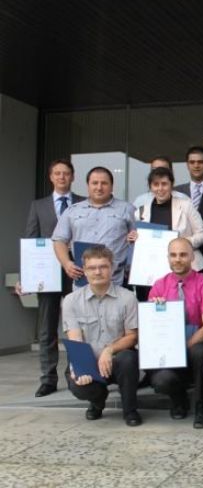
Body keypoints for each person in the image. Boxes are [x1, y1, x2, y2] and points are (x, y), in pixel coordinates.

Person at [18, 159, 84, 397]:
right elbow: (31, 240)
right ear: (51, 177)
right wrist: (26, 276)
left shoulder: (83, 203)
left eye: (66, 173)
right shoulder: (38, 206)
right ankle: (48, 378)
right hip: (46, 273)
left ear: (73, 177)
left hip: (77, 270)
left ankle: (75, 373)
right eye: (57, 173)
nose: (62, 177)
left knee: (78, 325)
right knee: (47, 328)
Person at [62, 246, 141, 426]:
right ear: (84, 270)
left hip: (117, 359)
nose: (98, 272)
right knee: (79, 386)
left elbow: (132, 337)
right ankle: (98, 401)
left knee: (129, 358)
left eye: (103, 266)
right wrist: (80, 368)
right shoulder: (71, 301)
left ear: (112, 268)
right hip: (88, 359)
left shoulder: (128, 298)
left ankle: (130, 410)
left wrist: (109, 350)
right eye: (92, 268)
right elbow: (75, 339)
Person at [146, 238, 203, 428]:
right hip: (167, 350)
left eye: (183, 255)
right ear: (168, 257)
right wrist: (155, 311)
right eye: (173, 255)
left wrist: (184, 347)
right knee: (161, 380)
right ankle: (178, 399)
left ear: (192, 257)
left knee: (199, 351)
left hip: (194, 344)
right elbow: (152, 328)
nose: (178, 259)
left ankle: (201, 405)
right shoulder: (159, 285)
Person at [52, 166, 136, 286]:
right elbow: (59, 240)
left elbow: (139, 240)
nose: (99, 187)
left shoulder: (127, 209)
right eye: (95, 183)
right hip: (83, 281)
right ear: (88, 186)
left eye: (104, 183)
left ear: (112, 186)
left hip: (115, 281)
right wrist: (67, 263)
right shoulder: (72, 211)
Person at [135, 167, 203, 272]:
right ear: (150, 187)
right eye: (156, 184)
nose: (160, 188)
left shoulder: (186, 205)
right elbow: (138, 241)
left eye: (164, 184)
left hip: (186, 266)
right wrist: (133, 237)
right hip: (154, 266)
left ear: (171, 185)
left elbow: (202, 234)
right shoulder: (141, 211)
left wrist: (183, 243)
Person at [174, 146, 203, 211]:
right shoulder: (176, 191)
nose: (196, 166)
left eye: (200, 162)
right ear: (187, 165)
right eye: (192, 162)